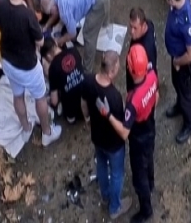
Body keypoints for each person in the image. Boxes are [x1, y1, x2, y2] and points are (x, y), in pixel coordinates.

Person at [0, 0, 62, 146]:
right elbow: (39, 42)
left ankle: (26, 128)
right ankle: (47, 132)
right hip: (28, 66)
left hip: (7, 61)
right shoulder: (28, 15)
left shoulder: (0, 7)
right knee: (40, 97)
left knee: (17, 96)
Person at [96, 44, 158, 222]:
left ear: (130, 68)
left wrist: (107, 114)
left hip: (138, 136)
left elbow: (124, 132)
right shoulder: (152, 76)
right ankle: (151, 182)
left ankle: (146, 210)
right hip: (150, 127)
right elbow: (156, 97)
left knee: (139, 177)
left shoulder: (133, 103)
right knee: (149, 159)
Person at [82, 52, 132, 219]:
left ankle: (105, 196)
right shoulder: (114, 97)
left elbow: (83, 101)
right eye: (118, 65)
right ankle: (115, 207)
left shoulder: (88, 80)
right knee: (117, 173)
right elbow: (122, 130)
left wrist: (88, 118)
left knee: (102, 166)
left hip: (97, 136)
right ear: (112, 70)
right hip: (114, 144)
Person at [40, 0, 114, 70]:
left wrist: (59, 40)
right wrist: (48, 26)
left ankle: (87, 69)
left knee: (88, 34)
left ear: (53, 8)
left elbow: (72, 33)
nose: (52, 15)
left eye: (51, 12)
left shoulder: (64, 10)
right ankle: (105, 23)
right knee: (102, 6)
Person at [162, 0, 191, 144]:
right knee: (177, 86)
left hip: (184, 63)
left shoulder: (186, 23)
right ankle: (179, 106)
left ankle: (189, 124)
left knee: (186, 95)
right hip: (176, 57)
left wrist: (177, 62)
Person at [41, 36, 89, 125]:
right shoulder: (74, 51)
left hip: (72, 109)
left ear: (48, 56)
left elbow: (54, 101)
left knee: (70, 119)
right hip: (87, 99)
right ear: (55, 43)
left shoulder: (53, 68)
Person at [126, 7, 158, 92]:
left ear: (143, 26)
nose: (132, 31)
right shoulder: (149, 24)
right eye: (131, 26)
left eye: (135, 28)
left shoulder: (146, 49)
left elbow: (151, 71)